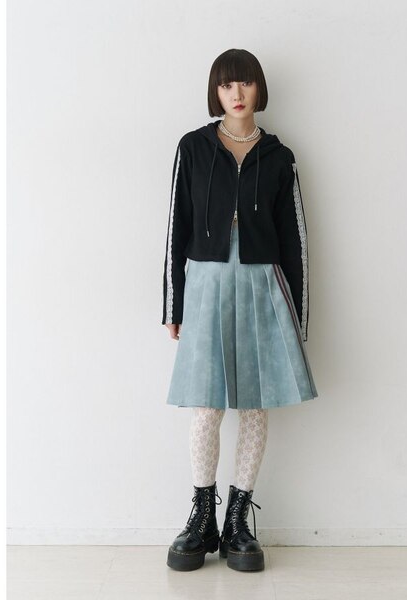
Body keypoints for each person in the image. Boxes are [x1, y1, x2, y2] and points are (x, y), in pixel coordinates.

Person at [161, 48, 318, 572]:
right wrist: (173, 303)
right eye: (227, 84)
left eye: (245, 83)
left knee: (253, 405)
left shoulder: (279, 157)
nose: (237, 93)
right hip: (206, 284)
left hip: (260, 284)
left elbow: (295, 239)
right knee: (206, 406)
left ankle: (238, 523)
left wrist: (298, 317)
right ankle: (201, 517)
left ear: (258, 89)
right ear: (216, 91)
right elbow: (176, 227)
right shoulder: (193, 147)